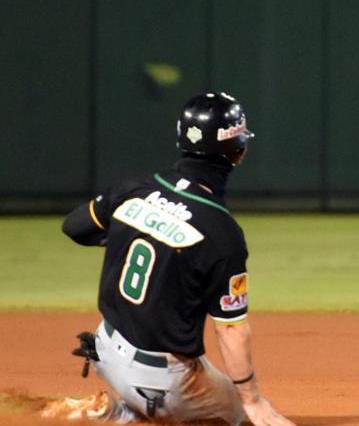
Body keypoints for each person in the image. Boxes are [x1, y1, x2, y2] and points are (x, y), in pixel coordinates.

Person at [47, 93, 295, 425]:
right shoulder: (221, 232)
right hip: (161, 379)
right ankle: (117, 417)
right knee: (234, 413)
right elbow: (231, 329)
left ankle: (121, 408)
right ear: (238, 150)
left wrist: (139, 233)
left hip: (104, 349)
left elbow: (74, 227)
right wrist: (253, 401)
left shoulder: (133, 189)